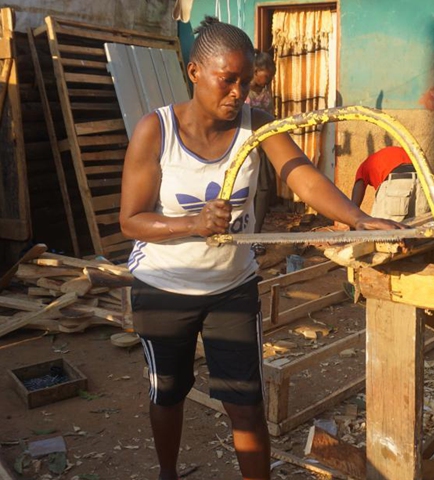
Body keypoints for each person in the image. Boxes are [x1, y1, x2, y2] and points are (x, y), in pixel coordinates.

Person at [119, 17, 403, 480]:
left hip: (232, 288)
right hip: (163, 289)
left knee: (246, 405)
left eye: (245, 82)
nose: (237, 93)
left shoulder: (259, 127)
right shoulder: (157, 130)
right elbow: (130, 219)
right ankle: (167, 473)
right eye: (226, 80)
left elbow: (302, 176)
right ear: (194, 72)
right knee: (167, 394)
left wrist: (357, 218)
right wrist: (193, 222)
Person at [245, 49, 277, 251]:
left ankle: (255, 235)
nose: (266, 82)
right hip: (244, 144)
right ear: (255, 71)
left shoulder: (266, 91)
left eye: (270, 79)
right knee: (245, 186)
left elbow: (271, 114)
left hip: (264, 142)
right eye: (264, 78)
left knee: (264, 187)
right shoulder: (241, 89)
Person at [350, 146, 431, 222]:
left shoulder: (364, 166)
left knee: (380, 231)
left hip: (397, 181)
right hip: (424, 181)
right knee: (417, 230)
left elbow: (358, 189)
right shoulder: (400, 152)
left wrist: (352, 219)